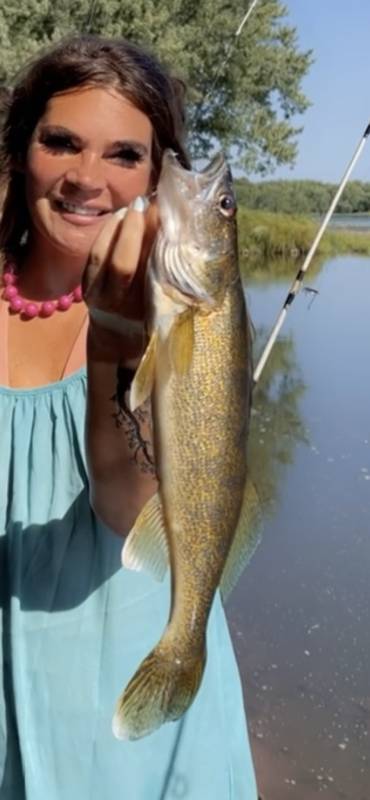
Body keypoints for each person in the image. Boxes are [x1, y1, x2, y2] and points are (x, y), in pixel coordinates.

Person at [0, 34, 258, 799]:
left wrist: (115, 334)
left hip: (134, 685)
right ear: (21, 152)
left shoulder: (174, 319)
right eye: (61, 143)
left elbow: (125, 506)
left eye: (124, 155)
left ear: (153, 174)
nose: (87, 179)